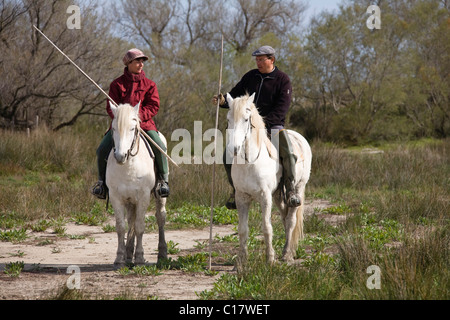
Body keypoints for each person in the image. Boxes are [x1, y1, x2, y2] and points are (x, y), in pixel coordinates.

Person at [213, 45, 300, 209]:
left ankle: (291, 190)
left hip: (273, 126)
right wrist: (223, 100)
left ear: (271, 60)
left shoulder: (283, 80)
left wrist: (262, 125)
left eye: (261, 60)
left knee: (288, 152)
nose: (258, 63)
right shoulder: (250, 77)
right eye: (257, 60)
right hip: (248, 128)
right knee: (227, 155)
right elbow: (235, 96)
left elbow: (282, 108)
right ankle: (235, 189)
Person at [92, 48, 169, 199]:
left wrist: (137, 118)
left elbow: (154, 106)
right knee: (101, 150)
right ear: (128, 63)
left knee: (160, 147)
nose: (141, 64)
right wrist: (122, 119)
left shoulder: (150, 85)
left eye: (142, 61)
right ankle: (101, 184)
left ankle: (163, 182)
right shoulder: (116, 85)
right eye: (137, 61)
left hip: (144, 125)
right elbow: (110, 107)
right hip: (120, 127)